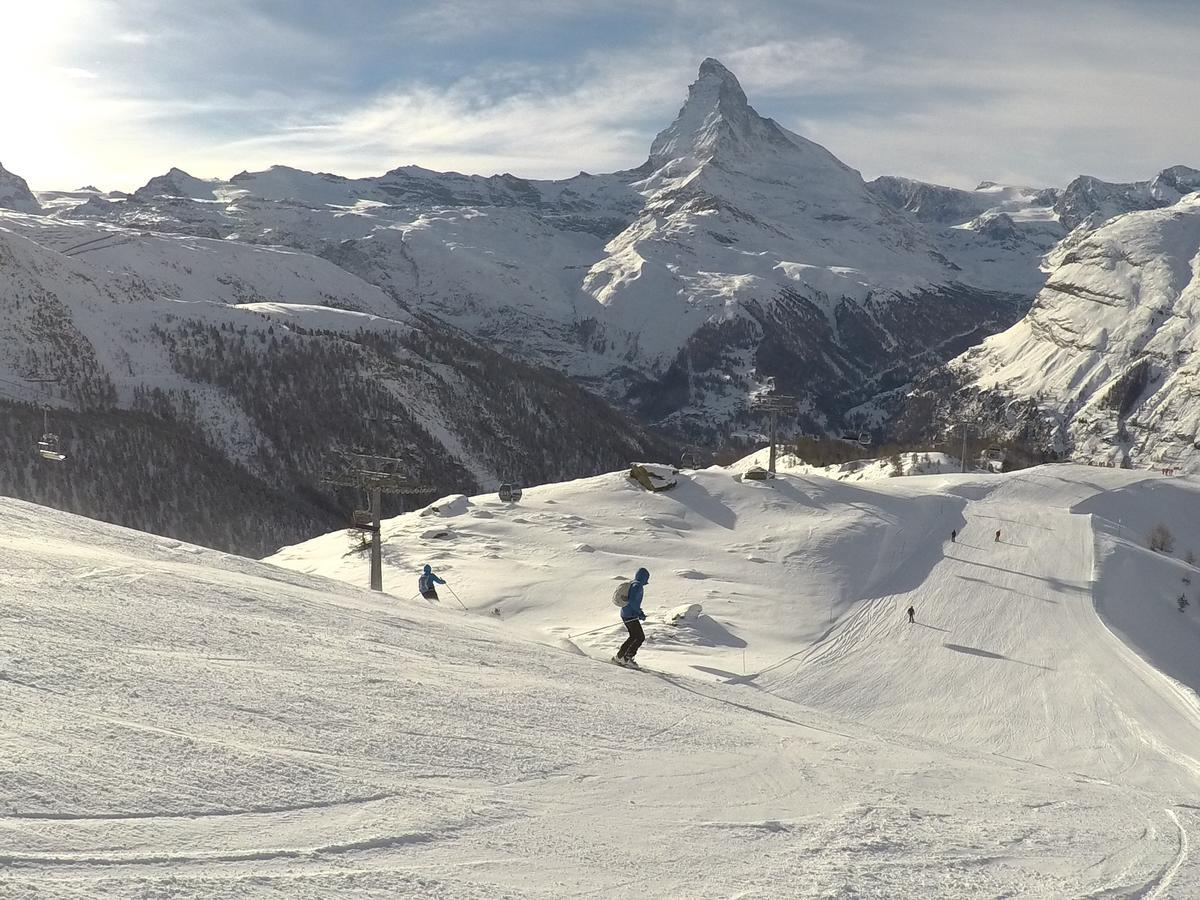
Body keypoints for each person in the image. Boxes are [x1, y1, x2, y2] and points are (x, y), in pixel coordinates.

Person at [614, 567, 650, 668]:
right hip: (630, 615)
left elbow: (631, 601)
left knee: (633, 636)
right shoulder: (637, 586)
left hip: (625, 613)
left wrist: (638, 612)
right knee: (639, 637)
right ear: (644, 577)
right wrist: (640, 613)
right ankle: (627, 658)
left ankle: (620, 656)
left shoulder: (633, 583)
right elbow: (633, 601)